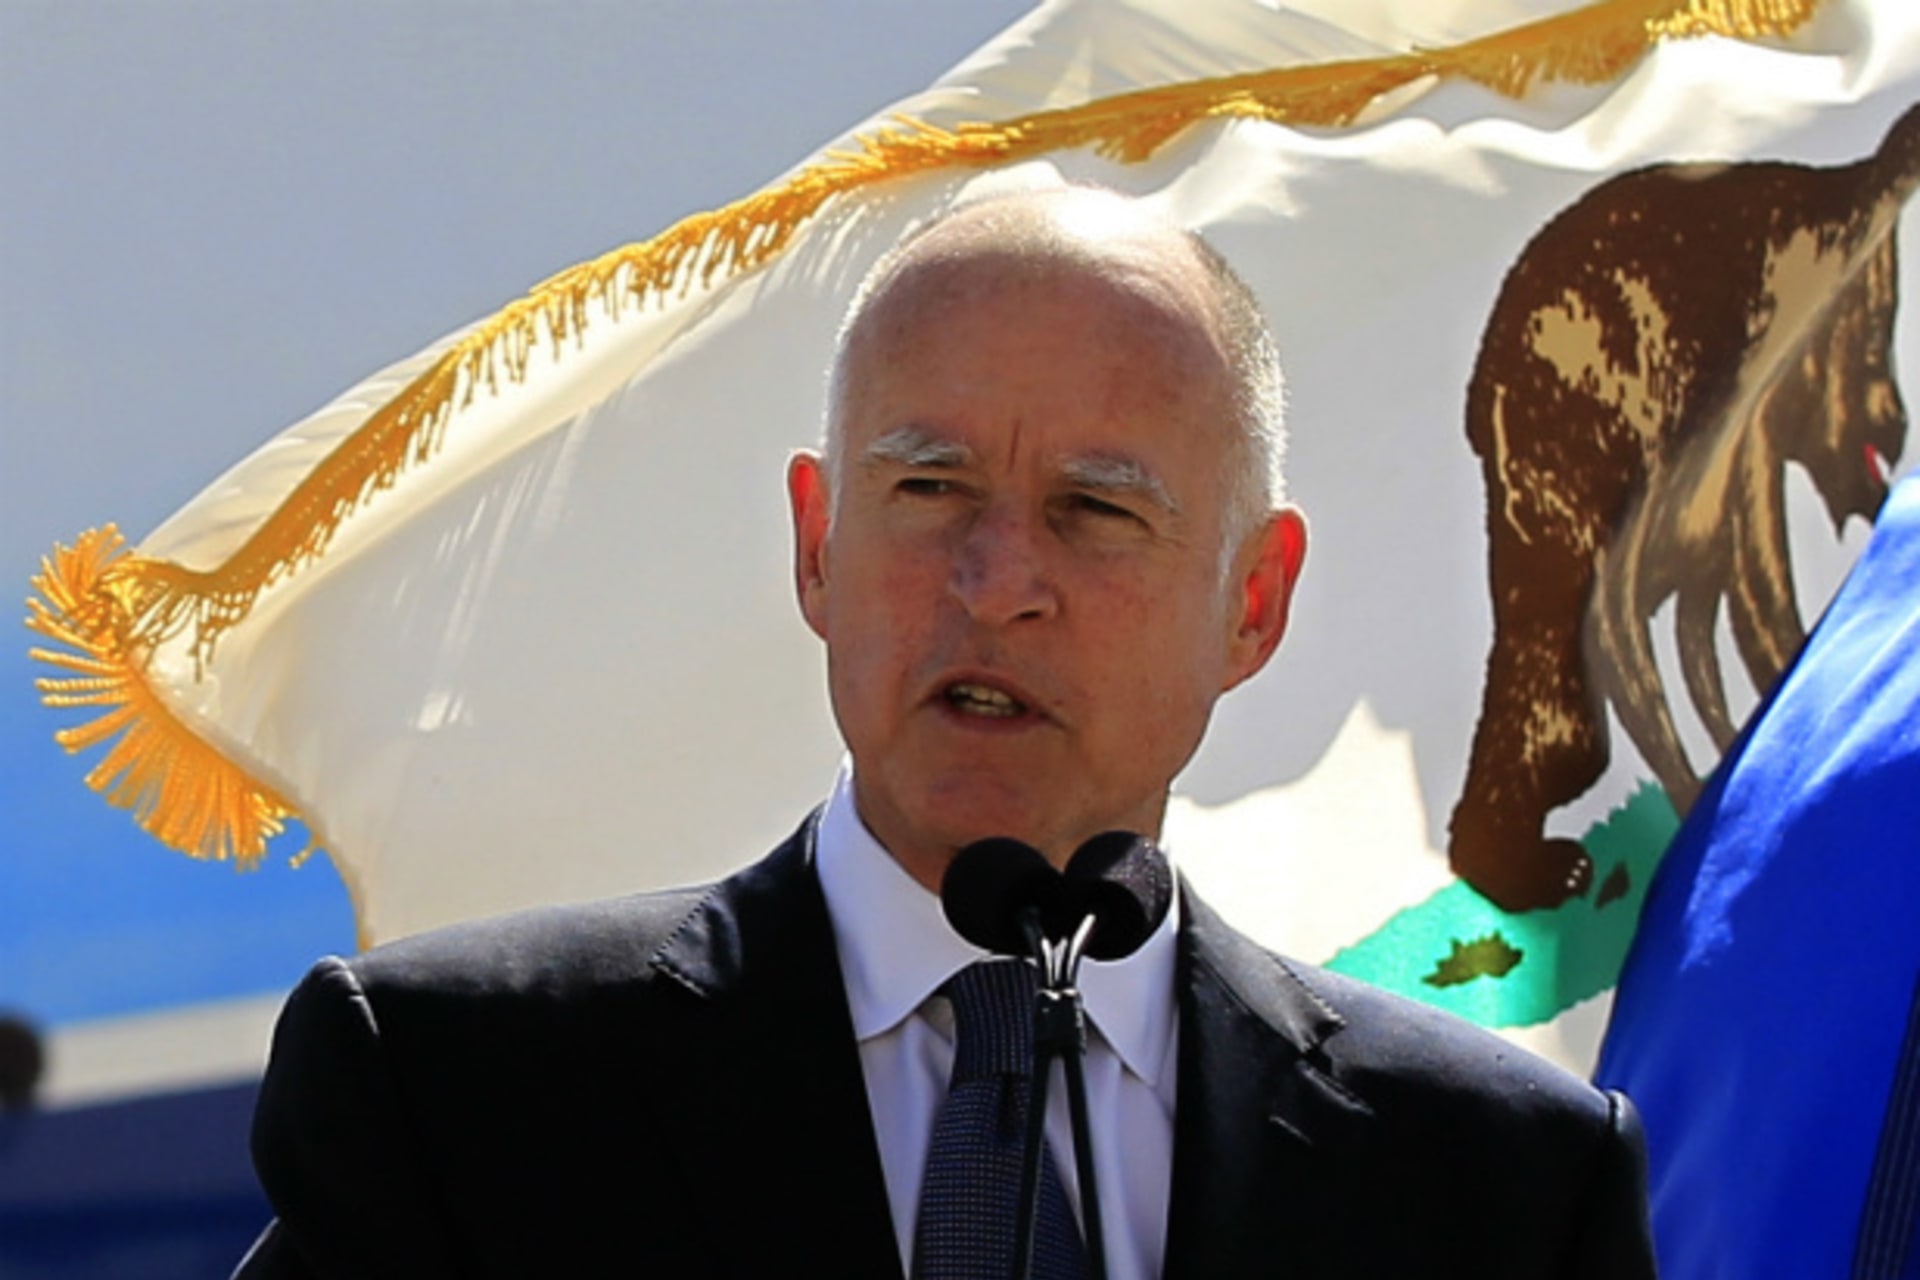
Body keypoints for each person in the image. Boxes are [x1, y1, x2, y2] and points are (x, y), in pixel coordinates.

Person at [234, 187, 1655, 1279]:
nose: (997, 581)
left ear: (1253, 603)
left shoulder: (1498, 1186)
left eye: (1095, 511)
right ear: (817, 546)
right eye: (928, 490)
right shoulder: (458, 1094)